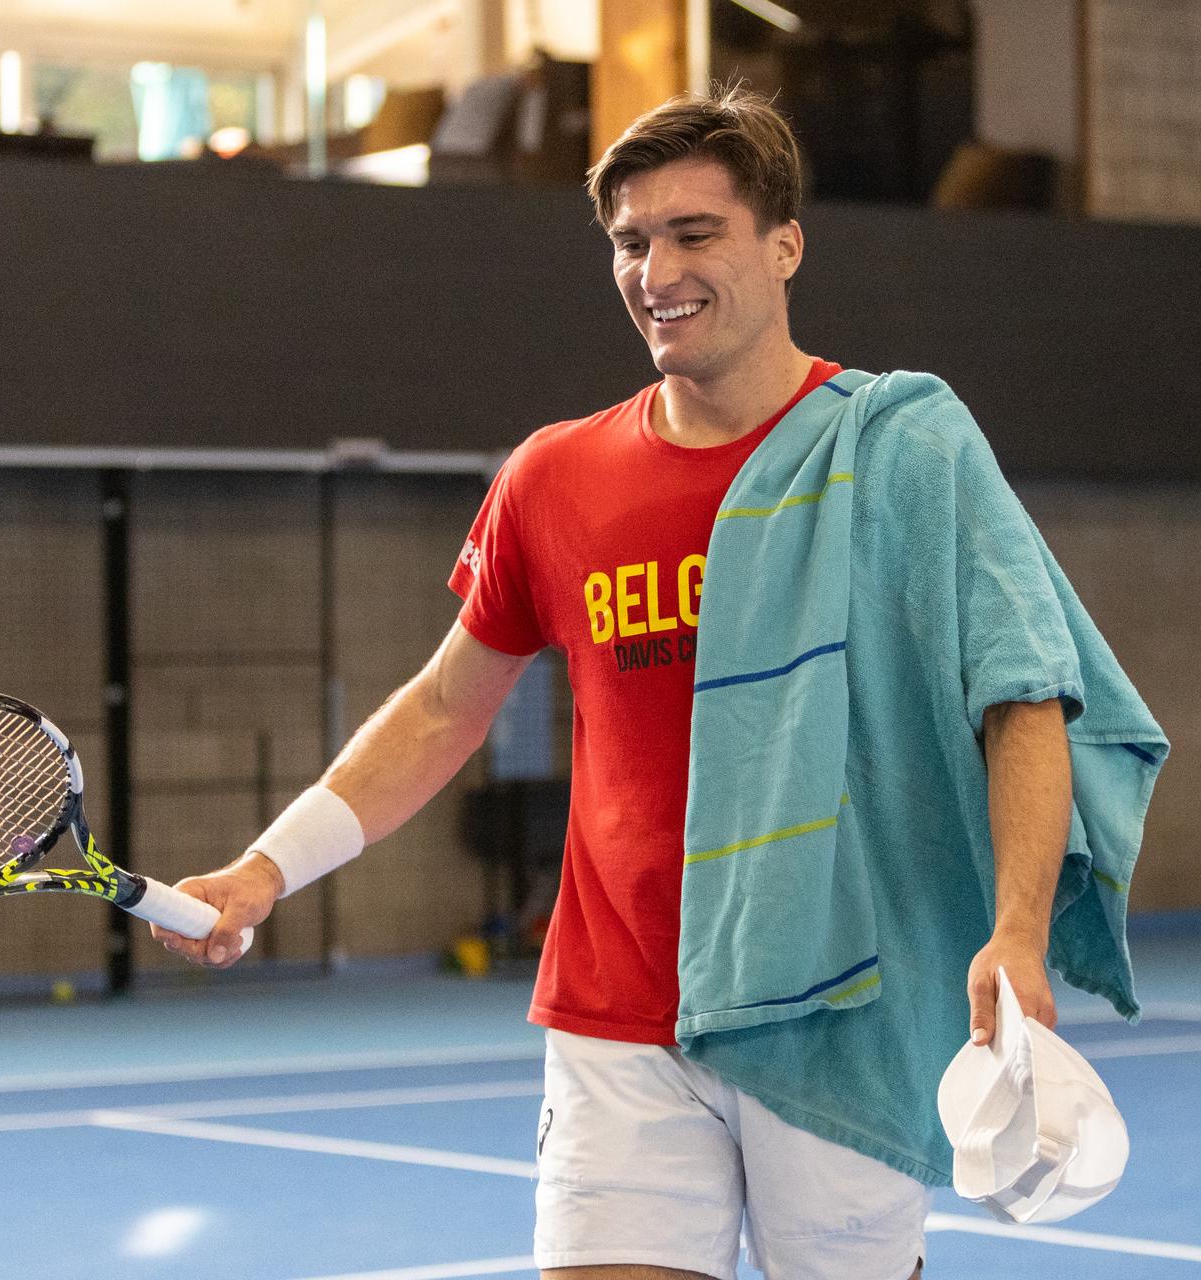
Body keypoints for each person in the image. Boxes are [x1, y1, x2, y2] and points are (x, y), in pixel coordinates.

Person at [152, 87, 1106, 1280]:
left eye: (695, 232)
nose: (658, 268)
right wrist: (265, 866)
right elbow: (448, 703)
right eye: (630, 240)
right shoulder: (553, 477)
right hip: (617, 1014)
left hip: (834, 1010)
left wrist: (1017, 928)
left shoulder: (902, 452)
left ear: (784, 244)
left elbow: (1021, 699)